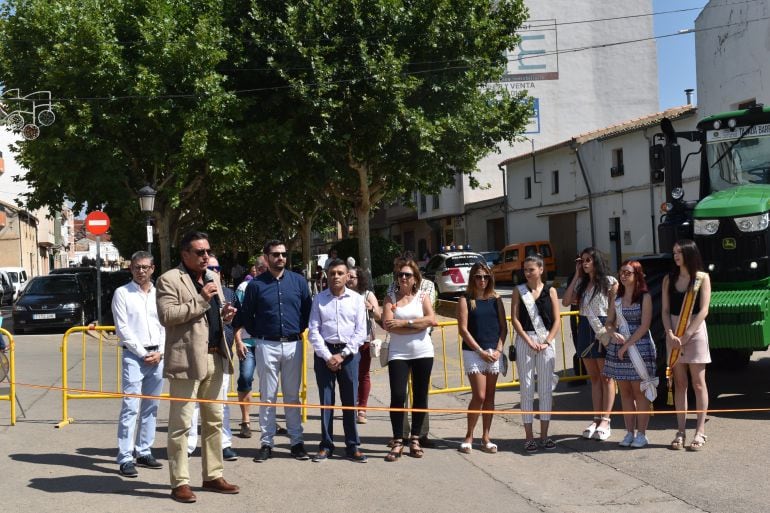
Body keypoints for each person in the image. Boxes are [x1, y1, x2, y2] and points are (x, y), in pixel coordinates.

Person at [156, 231, 239, 503]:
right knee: (181, 424)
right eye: (200, 252)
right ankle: (180, 481)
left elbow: (210, 318)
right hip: (187, 361)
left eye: (207, 251)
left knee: (214, 420)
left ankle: (213, 474)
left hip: (216, 356)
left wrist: (224, 316)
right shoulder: (169, 279)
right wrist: (202, 299)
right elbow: (168, 316)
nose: (206, 256)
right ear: (185, 255)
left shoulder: (213, 278)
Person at [232, 239, 312, 463]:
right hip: (266, 344)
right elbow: (247, 315)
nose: (281, 258)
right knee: (267, 396)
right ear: (266, 258)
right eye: (275, 254)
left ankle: (296, 442)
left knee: (292, 396)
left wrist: (298, 330)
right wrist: (261, 334)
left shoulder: (298, 282)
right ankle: (267, 442)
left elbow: (307, 311)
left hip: (293, 344)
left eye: (283, 254)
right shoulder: (256, 285)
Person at [308, 259, 368, 462]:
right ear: (327, 275)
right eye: (332, 273)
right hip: (324, 354)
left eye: (340, 273)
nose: (336, 276)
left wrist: (342, 355)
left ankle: (352, 445)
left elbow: (361, 331)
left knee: (350, 400)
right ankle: (326, 445)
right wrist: (327, 356)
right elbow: (313, 331)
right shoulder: (319, 299)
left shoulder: (357, 299)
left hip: (349, 354)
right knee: (326, 401)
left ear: (347, 276)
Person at [112, 251, 165, 478]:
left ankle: (144, 450)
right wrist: (144, 353)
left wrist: (161, 351)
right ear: (130, 269)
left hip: (158, 355)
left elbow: (165, 324)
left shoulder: (159, 293)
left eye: (145, 267)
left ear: (153, 268)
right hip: (135, 356)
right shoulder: (122, 293)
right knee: (131, 407)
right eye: (136, 267)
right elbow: (123, 328)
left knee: (151, 407)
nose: (141, 271)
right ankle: (125, 457)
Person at [382, 258, 436, 461]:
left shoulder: (422, 297)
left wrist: (405, 322)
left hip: (423, 352)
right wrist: (417, 326)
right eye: (400, 275)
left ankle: (415, 437)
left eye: (408, 275)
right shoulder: (390, 298)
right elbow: (388, 325)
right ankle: (398, 440)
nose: (403, 278)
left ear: (415, 279)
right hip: (398, 354)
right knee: (397, 395)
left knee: (420, 396)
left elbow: (432, 320)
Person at [561, 247, 618, 441]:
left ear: (596, 262)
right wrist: (576, 275)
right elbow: (567, 301)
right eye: (582, 260)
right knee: (594, 377)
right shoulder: (581, 284)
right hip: (585, 328)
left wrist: (610, 330)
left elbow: (614, 309)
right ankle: (596, 417)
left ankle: (606, 420)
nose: (584, 263)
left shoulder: (610, 282)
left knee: (606, 377)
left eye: (588, 260)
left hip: (602, 328)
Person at [187, 255, 238, 461]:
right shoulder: (192, 290)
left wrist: (228, 318)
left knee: (221, 404)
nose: (212, 271)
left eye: (216, 267)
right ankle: (190, 445)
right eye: (209, 267)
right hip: (195, 355)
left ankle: (224, 444)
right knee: (191, 406)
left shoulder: (228, 293)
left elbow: (231, 324)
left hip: (220, 354)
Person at [662, 239, 711, 451]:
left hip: (695, 331)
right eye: (674, 252)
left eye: (679, 252)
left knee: (698, 383)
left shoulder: (702, 278)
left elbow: (704, 310)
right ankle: (680, 430)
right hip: (673, 332)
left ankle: (700, 431)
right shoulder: (669, 279)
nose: (676, 256)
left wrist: (687, 334)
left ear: (689, 253)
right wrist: (670, 333)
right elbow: (664, 310)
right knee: (679, 383)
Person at [603, 260, 656, 449]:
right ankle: (629, 432)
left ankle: (642, 434)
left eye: (627, 272)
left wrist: (627, 345)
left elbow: (645, 325)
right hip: (619, 350)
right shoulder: (616, 298)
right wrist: (612, 332)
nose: (623, 276)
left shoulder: (644, 297)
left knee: (639, 392)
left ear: (637, 275)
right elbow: (609, 322)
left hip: (638, 349)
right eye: (621, 272)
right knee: (625, 393)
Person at [510, 254, 560, 452]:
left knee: (546, 389)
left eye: (531, 269)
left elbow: (556, 320)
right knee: (527, 388)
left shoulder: (551, 291)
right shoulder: (519, 291)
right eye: (525, 270)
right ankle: (529, 437)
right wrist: (529, 340)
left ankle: (545, 436)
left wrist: (547, 341)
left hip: (547, 340)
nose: (528, 273)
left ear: (541, 269)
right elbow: (515, 319)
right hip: (525, 341)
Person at [456, 262, 507, 454]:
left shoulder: (496, 299)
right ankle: (469, 435)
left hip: (494, 352)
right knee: (480, 395)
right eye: (478, 276)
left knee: (490, 397)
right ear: (472, 278)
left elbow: (503, 327)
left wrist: (499, 350)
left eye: (486, 277)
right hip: (473, 352)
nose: (482, 280)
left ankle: (486, 437)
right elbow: (463, 330)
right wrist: (480, 351)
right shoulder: (465, 299)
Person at [233, 256, 267, 438]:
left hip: (268, 343)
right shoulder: (243, 288)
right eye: (260, 268)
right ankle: (245, 421)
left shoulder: (273, 286)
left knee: (268, 383)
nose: (261, 271)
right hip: (247, 342)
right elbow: (236, 318)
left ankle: (267, 419)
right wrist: (238, 341)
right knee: (245, 378)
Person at [347, 266, 381, 424]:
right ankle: (351, 406)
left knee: (363, 375)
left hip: (365, 341)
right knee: (349, 376)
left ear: (359, 279)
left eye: (352, 277)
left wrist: (371, 307)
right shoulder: (343, 294)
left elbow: (379, 315)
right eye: (348, 277)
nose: (349, 279)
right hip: (347, 341)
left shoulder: (367, 294)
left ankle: (362, 408)